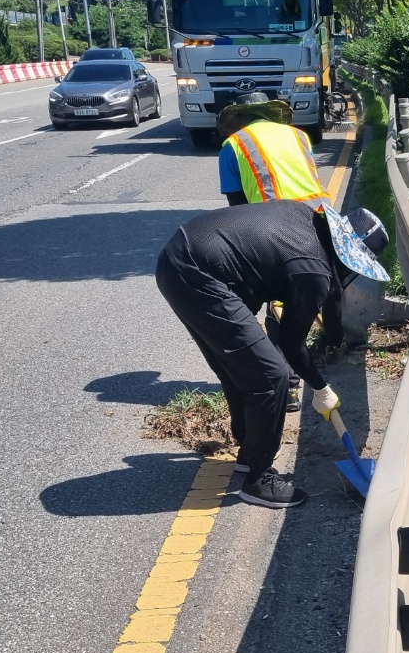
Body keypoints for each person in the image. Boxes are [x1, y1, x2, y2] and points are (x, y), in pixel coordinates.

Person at [155, 200, 388, 508]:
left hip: (179, 258)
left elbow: (332, 299)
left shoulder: (307, 221)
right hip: (198, 275)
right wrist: (321, 387)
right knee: (271, 375)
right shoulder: (312, 269)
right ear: (348, 258)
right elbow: (292, 343)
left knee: (238, 366)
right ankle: (258, 479)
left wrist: (335, 337)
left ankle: (249, 450)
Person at [216, 91, 333, 413]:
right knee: (322, 285)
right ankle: (332, 338)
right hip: (321, 217)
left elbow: (237, 205)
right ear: (270, 113)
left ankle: (290, 386)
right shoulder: (299, 135)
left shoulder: (234, 144)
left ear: (239, 118)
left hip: (276, 225)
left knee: (279, 303)